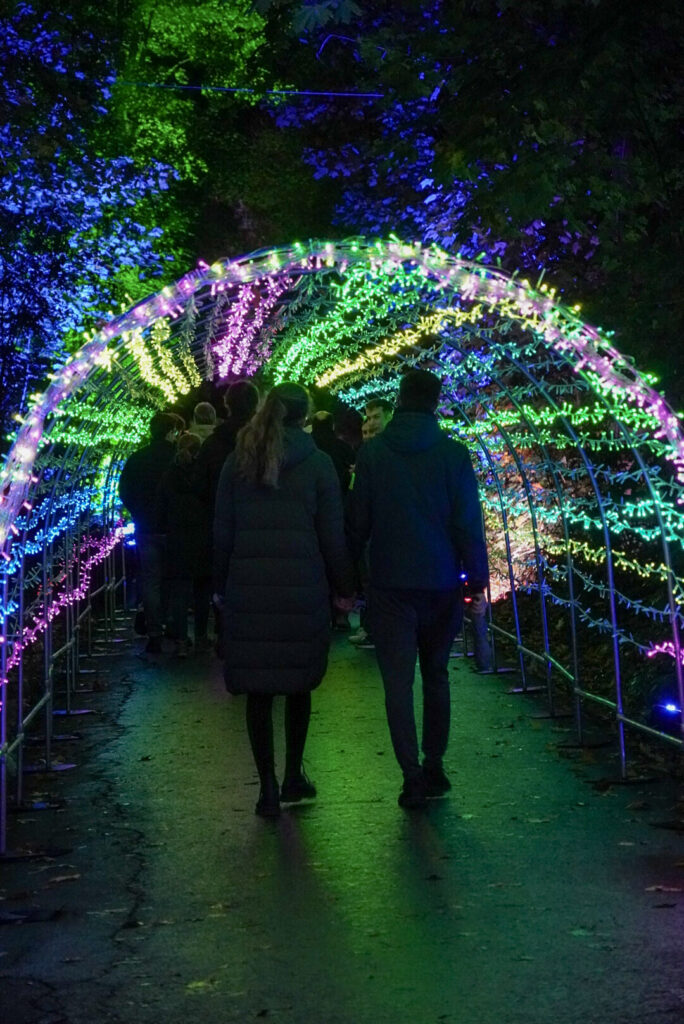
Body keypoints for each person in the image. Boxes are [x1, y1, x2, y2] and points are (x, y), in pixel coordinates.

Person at [349, 369, 489, 810]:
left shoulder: (373, 455)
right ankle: (435, 764)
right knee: (436, 674)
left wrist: (353, 579)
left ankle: (410, 775)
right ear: (435, 402)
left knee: (397, 683)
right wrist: (477, 578)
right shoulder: (454, 455)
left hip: (390, 582)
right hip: (441, 581)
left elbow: (358, 523)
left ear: (400, 399)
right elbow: (468, 522)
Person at [214, 382, 354, 818]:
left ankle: (268, 787)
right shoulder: (319, 464)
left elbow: (222, 531)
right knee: (298, 684)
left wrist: (220, 585)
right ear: (304, 416)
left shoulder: (238, 461)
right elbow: (333, 533)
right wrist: (345, 587)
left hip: (248, 587)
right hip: (302, 586)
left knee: (258, 691)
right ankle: (294, 774)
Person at [118, 412, 179, 654]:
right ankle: (176, 628)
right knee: (175, 580)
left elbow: (124, 491)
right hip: (175, 529)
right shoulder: (177, 457)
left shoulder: (137, 458)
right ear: (171, 431)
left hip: (146, 527)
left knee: (151, 580)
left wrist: (137, 512)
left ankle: (155, 632)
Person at [157, 432, 213, 657]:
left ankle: (181, 639)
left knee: (179, 591)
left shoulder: (169, 476)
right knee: (202, 591)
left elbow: (161, 506)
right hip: (201, 538)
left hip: (178, 539)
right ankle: (201, 636)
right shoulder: (202, 474)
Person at [196, 380, 259, 505]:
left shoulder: (213, 443)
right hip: (258, 516)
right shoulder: (268, 441)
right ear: (256, 404)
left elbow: (200, 486)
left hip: (220, 512)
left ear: (227, 404)